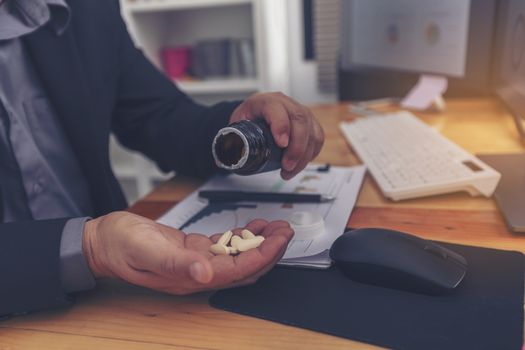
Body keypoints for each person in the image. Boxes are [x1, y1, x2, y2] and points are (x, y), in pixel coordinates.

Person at [0, 0, 324, 317]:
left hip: (108, 296)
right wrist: (90, 247)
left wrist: (242, 129)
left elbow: (157, 115)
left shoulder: (88, 9)